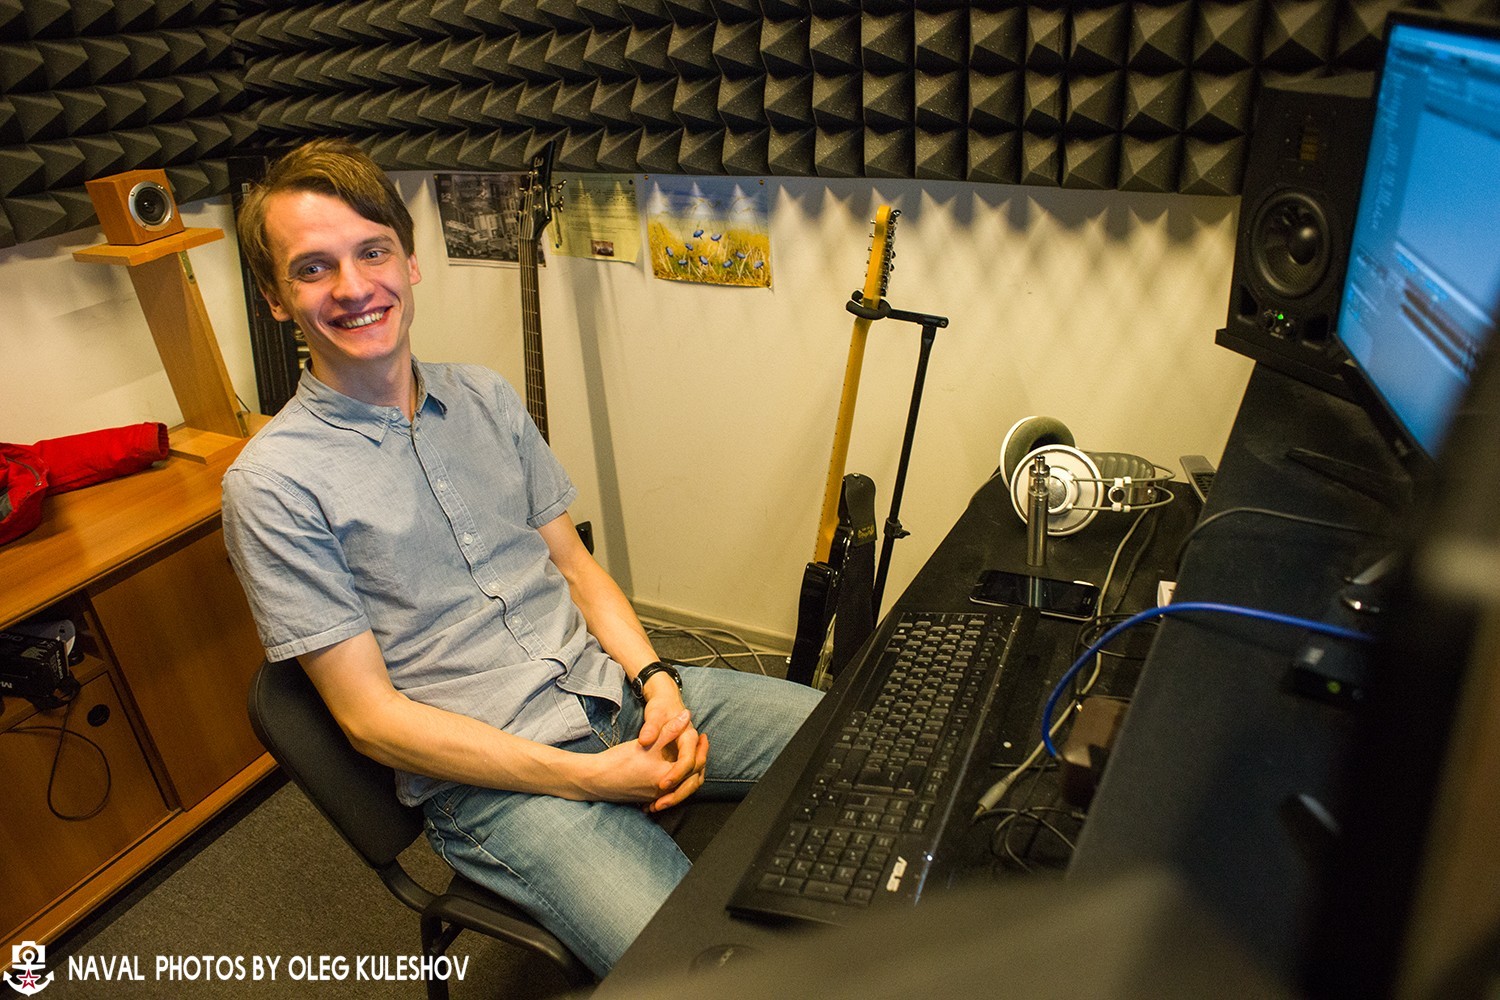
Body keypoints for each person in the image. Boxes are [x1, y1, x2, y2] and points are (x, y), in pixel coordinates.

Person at [222, 138, 821, 976]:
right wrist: (590, 780)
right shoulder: (272, 486)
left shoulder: (486, 397)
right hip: (502, 787)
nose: (354, 288)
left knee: (867, 742)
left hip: (616, 694)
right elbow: (370, 720)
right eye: (314, 269)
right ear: (276, 298)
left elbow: (577, 570)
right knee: (697, 973)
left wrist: (657, 682)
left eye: (372, 251)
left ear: (410, 262)